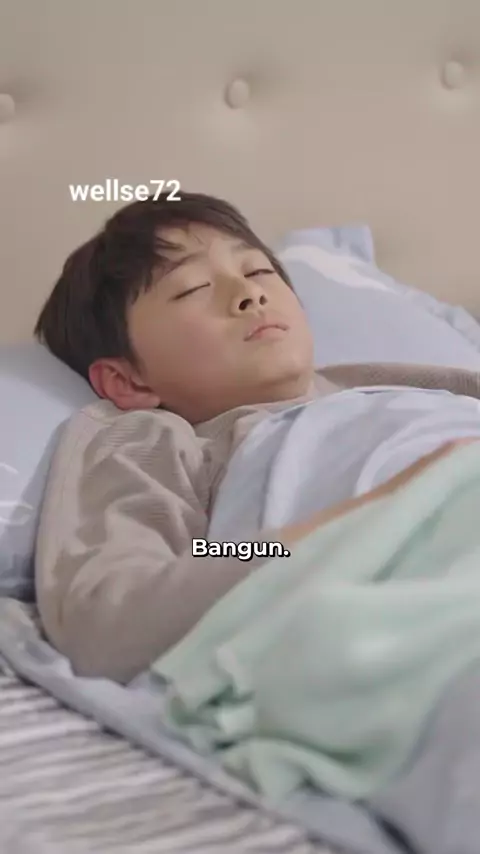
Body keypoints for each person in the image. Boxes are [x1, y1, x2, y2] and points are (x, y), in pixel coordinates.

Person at [33, 191, 479, 684]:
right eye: (192, 288)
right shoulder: (160, 439)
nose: (249, 293)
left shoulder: (396, 385)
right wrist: (360, 516)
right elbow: (110, 616)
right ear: (128, 380)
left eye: (259, 270)